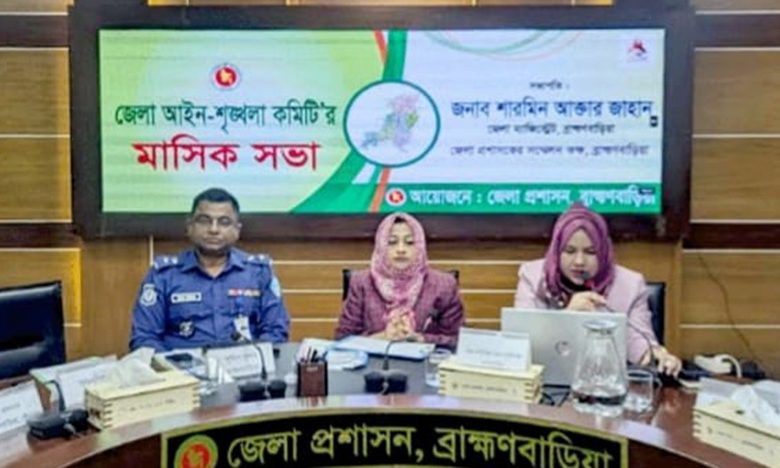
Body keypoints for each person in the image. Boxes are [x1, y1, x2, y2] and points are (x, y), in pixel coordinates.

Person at [513, 203, 682, 376]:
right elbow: (521, 345)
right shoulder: (533, 277)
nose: (579, 261)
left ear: (603, 251)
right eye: (569, 251)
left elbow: (640, 348)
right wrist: (567, 316)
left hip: (604, 382)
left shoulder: (630, 285)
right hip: (543, 382)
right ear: (557, 251)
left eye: (590, 252)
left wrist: (657, 357)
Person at [129, 187, 289, 352]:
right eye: (204, 221)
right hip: (181, 367)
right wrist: (175, 365)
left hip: (245, 365)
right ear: (190, 226)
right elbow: (144, 338)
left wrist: (250, 360)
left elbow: (275, 332)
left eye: (224, 222)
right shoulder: (164, 275)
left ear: (237, 230)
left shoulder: (258, 273)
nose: (213, 229)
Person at [335, 212, 465, 348]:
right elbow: (342, 339)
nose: (401, 250)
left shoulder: (444, 285)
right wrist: (382, 337)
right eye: (392, 242)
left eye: (410, 242)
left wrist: (420, 338)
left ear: (420, 246)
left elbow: (457, 341)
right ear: (381, 246)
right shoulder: (361, 283)